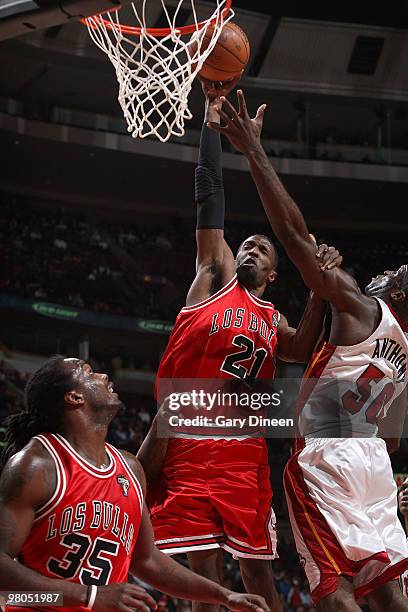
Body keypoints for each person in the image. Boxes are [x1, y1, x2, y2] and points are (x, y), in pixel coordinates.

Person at [138, 79, 342, 612]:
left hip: (245, 448)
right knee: (202, 572)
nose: (248, 249)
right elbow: (209, 195)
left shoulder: (272, 317)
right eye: (245, 245)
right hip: (188, 435)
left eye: (260, 249)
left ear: (274, 274)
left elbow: (298, 349)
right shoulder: (212, 278)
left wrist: (320, 285)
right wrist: (210, 124)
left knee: (259, 571)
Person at [208, 89, 408, 611]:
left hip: (329, 455)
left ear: (399, 295)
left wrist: (252, 148)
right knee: (387, 591)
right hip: (375, 469)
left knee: (332, 587)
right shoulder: (405, 351)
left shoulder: (364, 308)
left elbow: (293, 234)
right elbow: (388, 442)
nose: (382, 275)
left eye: (393, 275)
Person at [0, 356, 271, 612]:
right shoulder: (36, 466)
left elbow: (147, 560)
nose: (103, 375)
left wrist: (224, 595)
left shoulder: (129, 469)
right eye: (88, 371)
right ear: (74, 397)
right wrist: (88, 596)